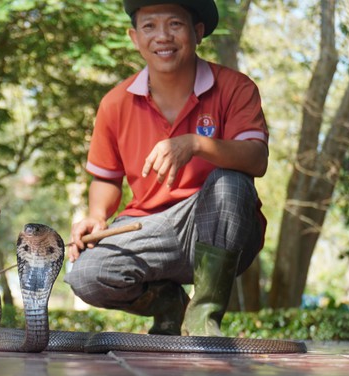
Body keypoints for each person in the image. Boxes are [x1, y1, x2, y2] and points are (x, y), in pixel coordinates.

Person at [64, 0, 269, 337]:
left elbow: (256, 159)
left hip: (219, 224)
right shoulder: (115, 103)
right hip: (145, 226)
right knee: (85, 276)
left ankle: (203, 318)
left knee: (230, 182)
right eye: (149, 26)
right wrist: (96, 215)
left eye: (174, 24)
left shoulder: (235, 87)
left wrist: (196, 143)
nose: (162, 36)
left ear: (197, 32)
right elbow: (106, 177)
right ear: (134, 37)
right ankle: (170, 305)